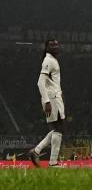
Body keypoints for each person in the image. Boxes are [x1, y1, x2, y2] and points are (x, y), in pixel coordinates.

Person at [28, 39, 65, 168]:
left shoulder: (52, 60)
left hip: (55, 96)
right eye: (52, 45)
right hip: (52, 98)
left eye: (56, 44)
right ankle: (53, 163)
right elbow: (40, 83)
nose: (56, 46)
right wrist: (46, 101)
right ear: (47, 48)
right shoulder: (48, 60)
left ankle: (36, 151)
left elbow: (52, 82)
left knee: (57, 129)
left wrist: (59, 92)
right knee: (58, 129)